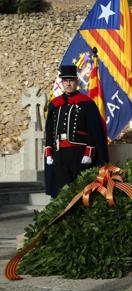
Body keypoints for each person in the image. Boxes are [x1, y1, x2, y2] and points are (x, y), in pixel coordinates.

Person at [44, 65, 109, 197]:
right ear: (61, 82)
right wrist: (49, 151)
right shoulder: (55, 104)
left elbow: (94, 130)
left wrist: (88, 153)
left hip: (79, 154)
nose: (68, 83)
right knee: (62, 190)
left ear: (77, 82)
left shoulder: (86, 103)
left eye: (71, 80)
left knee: (80, 189)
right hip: (59, 153)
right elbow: (50, 130)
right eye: (65, 80)